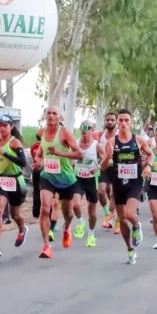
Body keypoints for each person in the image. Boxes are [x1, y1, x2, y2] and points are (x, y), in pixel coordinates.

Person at [101, 109, 154, 264]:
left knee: (130, 214)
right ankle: (130, 249)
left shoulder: (138, 140)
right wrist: (108, 157)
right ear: (118, 123)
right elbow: (104, 166)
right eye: (121, 120)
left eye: (126, 120)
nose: (123, 123)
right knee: (122, 218)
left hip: (134, 182)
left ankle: (137, 226)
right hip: (118, 182)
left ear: (131, 123)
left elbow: (151, 154)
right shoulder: (111, 143)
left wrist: (149, 166)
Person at [32, 106, 85, 259]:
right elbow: (39, 153)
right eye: (48, 113)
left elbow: (79, 154)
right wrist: (38, 162)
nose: (51, 116)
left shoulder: (65, 133)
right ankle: (46, 246)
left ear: (60, 118)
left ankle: (67, 227)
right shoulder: (42, 133)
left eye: (54, 113)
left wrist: (59, 153)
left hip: (66, 179)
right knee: (45, 208)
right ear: (45, 116)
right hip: (48, 176)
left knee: (68, 213)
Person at [0, 115, 29, 257]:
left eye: (5, 125)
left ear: (11, 127)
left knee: (15, 215)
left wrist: (5, 153)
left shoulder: (15, 143)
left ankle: (22, 229)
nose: (2, 128)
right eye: (0, 125)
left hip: (16, 181)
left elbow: (23, 163)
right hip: (1, 180)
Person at [75, 120, 104, 248]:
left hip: (92, 180)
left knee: (92, 212)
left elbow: (105, 161)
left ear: (92, 130)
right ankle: (80, 222)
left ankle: (91, 234)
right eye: (82, 127)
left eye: (87, 127)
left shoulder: (97, 146)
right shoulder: (75, 143)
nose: (84, 130)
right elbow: (70, 156)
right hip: (78, 178)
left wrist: (97, 167)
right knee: (75, 205)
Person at [97, 112, 117, 229]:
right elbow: (99, 150)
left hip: (116, 168)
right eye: (108, 120)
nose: (109, 122)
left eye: (112, 120)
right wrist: (102, 158)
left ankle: (111, 214)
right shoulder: (101, 134)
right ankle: (107, 212)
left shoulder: (120, 134)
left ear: (116, 121)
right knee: (101, 191)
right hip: (105, 166)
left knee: (113, 193)